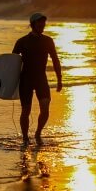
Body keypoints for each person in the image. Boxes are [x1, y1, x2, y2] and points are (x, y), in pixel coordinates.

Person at [13, 12, 62, 145]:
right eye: (40, 23)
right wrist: (10, 83)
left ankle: (38, 132)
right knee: (26, 110)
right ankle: (25, 137)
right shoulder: (22, 41)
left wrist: (59, 79)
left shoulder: (48, 41)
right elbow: (12, 63)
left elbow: (56, 60)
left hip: (41, 78)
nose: (42, 25)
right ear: (33, 24)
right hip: (25, 79)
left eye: (44, 23)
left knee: (45, 108)